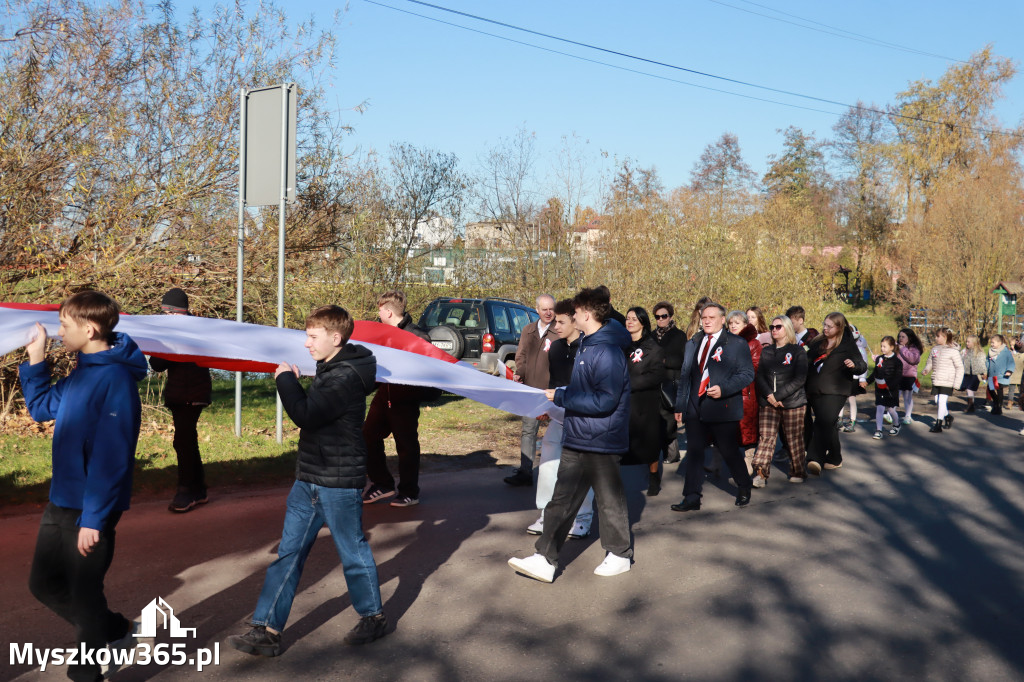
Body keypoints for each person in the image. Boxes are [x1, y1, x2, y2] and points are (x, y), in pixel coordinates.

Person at [228, 305, 388, 656]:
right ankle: (267, 629)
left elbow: (305, 415)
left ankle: (373, 617)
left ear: (336, 337)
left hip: (338, 482)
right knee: (289, 553)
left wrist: (285, 379)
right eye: (306, 335)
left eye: (312, 337)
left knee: (352, 552)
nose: (306, 343)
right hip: (309, 478)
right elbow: (315, 414)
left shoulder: (344, 376)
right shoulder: (331, 367)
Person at [18, 291, 149, 682]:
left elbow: (113, 457)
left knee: (84, 593)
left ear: (89, 329)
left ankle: (88, 672)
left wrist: (94, 519)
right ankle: (114, 630)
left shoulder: (115, 380)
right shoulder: (82, 372)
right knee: (43, 584)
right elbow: (41, 408)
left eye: (63, 326)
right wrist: (36, 357)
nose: (58, 333)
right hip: (61, 501)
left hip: (91, 509)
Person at [508, 287, 634, 583]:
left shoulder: (606, 351)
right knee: (561, 500)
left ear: (586, 315)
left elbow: (605, 400)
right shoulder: (589, 346)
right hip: (579, 435)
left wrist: (563, 397)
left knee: (609, 501)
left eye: (575, 312)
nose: (571, 316)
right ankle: (545, 558)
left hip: (602, 439)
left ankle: (619, 555)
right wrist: (565, 395)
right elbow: (587, 392)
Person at [671, 302, 755, 512]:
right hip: (694, 407)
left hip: (722, 407)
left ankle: (744, 486)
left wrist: (724, 389)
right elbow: (685, 376)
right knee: (695, 452)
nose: (706, 321)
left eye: (711, 317)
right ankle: (691, 497)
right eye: (704, 318)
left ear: (721, 320)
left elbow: (747, 374)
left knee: (729, 451)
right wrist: (680, 405)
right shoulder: (693, 342)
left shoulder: (735, 343)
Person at [362, 290, 434, 507]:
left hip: (405, 400)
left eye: (380, 310)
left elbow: (427, 371)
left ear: (388, 312)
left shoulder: (418, 337)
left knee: (406, 446)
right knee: (367, 437)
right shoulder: (382, 334)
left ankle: (409, 492)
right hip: (384, 395)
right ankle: (382, 484)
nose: (378, 314)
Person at [529, 299, 593, 539]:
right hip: (558, 416)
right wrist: (547, 404)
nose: (555, 325)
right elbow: (554, 384)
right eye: (554, 320)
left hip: (583, 418)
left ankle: (583, 518)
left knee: (580, 470)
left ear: (575, 321)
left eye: (561, 321)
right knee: (547, 464)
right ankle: (546, 514)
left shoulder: (588, 349)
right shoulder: (555, 348)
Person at [149, 288, 214, 513]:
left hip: (192, 394)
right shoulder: (176, 330)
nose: (167, 317)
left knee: (183, 441)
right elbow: (157, 364)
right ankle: (199, 489)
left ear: (178, 312)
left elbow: (207, 354)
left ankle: (186, 491)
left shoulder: (196, 331)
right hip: (180, 394)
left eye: (169, 313)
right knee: (185, 441)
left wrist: (169, 340)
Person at [504, 294, 558, 487]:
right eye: (544, 309)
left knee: (559, 432)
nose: (549, 312)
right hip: (531, 392)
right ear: (537, 309)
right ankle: (525, 472)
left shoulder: (560, 331)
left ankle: (560, 474)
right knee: (528, 431)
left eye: (551, 308)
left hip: (554, 393)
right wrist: (519, 374)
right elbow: (522, 357)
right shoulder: (528, 331)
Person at [804, 312, 867, 476]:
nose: (825, 328)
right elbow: (806, 361)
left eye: (829, 326)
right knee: (828, 424)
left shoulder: (847, 344)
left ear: (839, 327)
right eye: (824, 324)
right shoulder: (818, 342)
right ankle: (834, 457)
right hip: (815, 390)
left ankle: (814, 458)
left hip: (836, 391)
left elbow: (862, 364)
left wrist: (854, 366)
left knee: (823, 421)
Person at [751, 315, 807, 486]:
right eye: (772, 327)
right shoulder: (767, 351)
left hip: (792, 402)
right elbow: (759, 375)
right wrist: (769, 395)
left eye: (778, 327)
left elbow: (800, 378)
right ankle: (761, 472)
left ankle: (797, 469)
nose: (774, 330)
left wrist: (779, 396)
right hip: (768, 402)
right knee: (766, 437)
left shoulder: (798, 351)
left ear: (787, 329)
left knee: (793, 437)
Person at [623, 306, 667, 496]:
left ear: (642, 322)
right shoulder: (621, 345)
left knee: (649, 443)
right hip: (623, 401)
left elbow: (656, 375)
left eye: (634, 318)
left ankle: (654, 476)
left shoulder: (653, 347)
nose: (629, 321)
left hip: (645, 402)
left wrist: (627, 383)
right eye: (627, 318)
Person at [652, 301, 686, 464]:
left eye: (664, 316)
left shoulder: (679, 335)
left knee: (669, 420)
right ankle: (663, 453)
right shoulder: (652, 335)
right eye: (657, 317)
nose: (661, 319)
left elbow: (683, 359)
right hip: (654, 382)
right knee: (656, 419)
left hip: (671, 381)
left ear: (670, 316)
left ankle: (672, 453)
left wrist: (665, 360)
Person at [727, 310, 762, 469]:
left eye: (737, 323)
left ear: (745, 324)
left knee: (748, 427)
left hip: (746, 391)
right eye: (730, 323)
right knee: (726, 429)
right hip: (728, 392)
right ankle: (718, 462)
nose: (733, 326)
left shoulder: (753, 343)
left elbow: (755, 367)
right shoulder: (725, 341)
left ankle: (748, 460)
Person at [922, 327, 965, 432]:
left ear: (945, 337)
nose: (936, 338)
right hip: (937, 379)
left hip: (947, 380)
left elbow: (960, 368)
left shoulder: (953, 351)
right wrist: (926, 370)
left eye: (938, 336)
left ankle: (938, 424)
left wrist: (956, 384)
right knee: (937, 401)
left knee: (941, 401)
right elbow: (930, 362)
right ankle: (948, 417)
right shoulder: (935, 349)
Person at [868, 336, 903, 440]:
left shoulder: (897, 362)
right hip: (879, 388)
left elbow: (898, 377)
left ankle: (897, 425)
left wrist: (890, 386)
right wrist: (867, 381)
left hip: (891, 390)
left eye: (884, 346)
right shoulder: (879, 359)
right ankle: (879, 430)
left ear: (892, 347)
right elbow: (875, 372)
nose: (882, 349)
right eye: (881, 346)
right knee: (879, 408)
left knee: (891, 410)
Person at [838, 325, 869, 432]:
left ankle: (852, 420)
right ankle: (839, 419)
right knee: (841, 398)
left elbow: (864, 364)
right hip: (844, 377)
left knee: (851, 399)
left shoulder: (860, 349)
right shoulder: (844, 347)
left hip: (854, 378)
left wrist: (862, 379)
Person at [896, 328, 924, 425]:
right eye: (899, 336)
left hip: (909, 376)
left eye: (903, 337)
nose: (900, 338)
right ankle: (890, 413)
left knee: (907, 397)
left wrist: (902, 348)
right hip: (898, 375)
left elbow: (913, 359)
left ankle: (908, 416)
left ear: (910, 338)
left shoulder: (914, 348)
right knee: (895, 395)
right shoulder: (897, 347)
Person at [985, 333, 1014, 417]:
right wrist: (985, 371)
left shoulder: (1006, 351)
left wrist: (1009, 370)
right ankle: (996, 401)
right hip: (991, 373)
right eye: (991, 343)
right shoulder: (990, 351)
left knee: (999, 390)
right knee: (990, 389)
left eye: (993, 343)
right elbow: (987, 361)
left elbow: (1011, 362)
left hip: (1001, 374)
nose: (991, 344)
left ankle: (999, 407)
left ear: (999, 343)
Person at [960, 334, 987, 413]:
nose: (967, 343)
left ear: (974, 343)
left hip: (975, 374)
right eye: (966, 342)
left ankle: (970, 405)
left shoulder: (979, 352)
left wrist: (984, 372)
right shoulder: (965, 351)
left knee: (970, 388)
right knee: (968, 389)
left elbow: (982, 363)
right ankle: (970, 404)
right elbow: (960, 358)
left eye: (969, 342)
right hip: (967, 373)